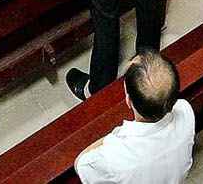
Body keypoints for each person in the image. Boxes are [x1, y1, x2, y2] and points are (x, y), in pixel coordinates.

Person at [76, 53, 196, 184]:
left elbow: (81, 163)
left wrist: (115, 136)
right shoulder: (185, 110)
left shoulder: (114, 157)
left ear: (128, 100)